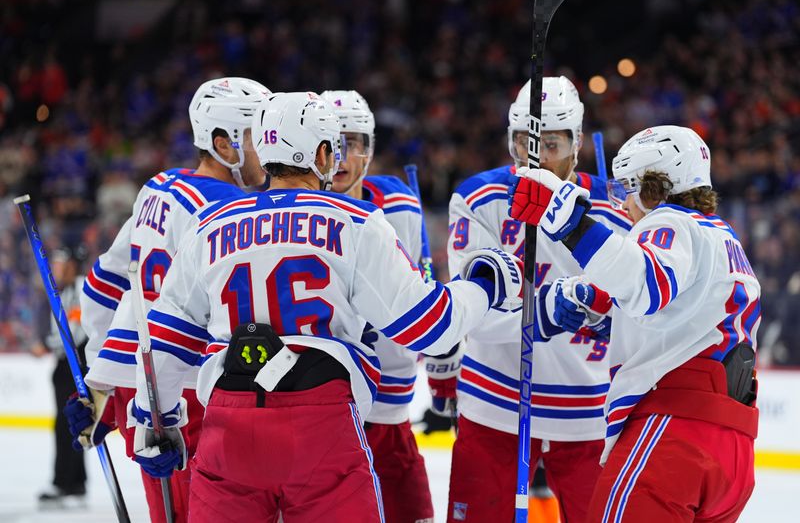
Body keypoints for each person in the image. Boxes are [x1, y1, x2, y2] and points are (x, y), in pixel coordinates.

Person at [127, 91, 523, 523]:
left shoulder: (212, 222)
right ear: (320, 151)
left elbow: (165, 336)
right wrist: (485, 285)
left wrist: (155, 421)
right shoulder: (354, 220)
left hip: (229, 427)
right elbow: (431, 326)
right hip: (321, 424)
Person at [511, 125, 761, 522]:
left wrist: (567, 220)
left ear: (654, 185)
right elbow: (675, 323)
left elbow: (647, 283)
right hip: (734, 451)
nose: (623, 204)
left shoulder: (672, 222)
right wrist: (596, 313)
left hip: (673, 433)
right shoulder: (724, 239)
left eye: (627, 187)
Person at [67, 77, 271, 523]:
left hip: (146, 392)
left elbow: (102, 284)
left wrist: (101, 382)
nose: (270, 147)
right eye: (259, 135)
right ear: (223, 143)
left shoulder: (157, 188)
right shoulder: (232, 210)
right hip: (196, 394)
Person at [445, 76, 632, 523]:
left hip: (590, 416)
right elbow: (470, 312)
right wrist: (545, 311)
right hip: (495, 406)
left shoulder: (615, 207)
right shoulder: (481, 199)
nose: (538, 159)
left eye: (551, 144)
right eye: (525, 144)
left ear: (577, 142)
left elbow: (645, 301)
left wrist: (619, 320)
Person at [321, 89, 434, 523]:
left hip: (384, 405)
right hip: (321, 404)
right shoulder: (292, 205)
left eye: (354, 142)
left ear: (369, 149)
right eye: (332, 142)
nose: (343, 156)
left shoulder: (395, 201)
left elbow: (410, 297)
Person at [35, 247, 87, 509]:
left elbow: (73, 335)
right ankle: (75, 480)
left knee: (68, 423)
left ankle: (65, 481)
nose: (55, 270)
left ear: (71, 266)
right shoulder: (62, 291)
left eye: (59, 264)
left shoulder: (78, 290)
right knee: (71, 422)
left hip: (74, 365)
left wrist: (46, 344)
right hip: (66, 365)